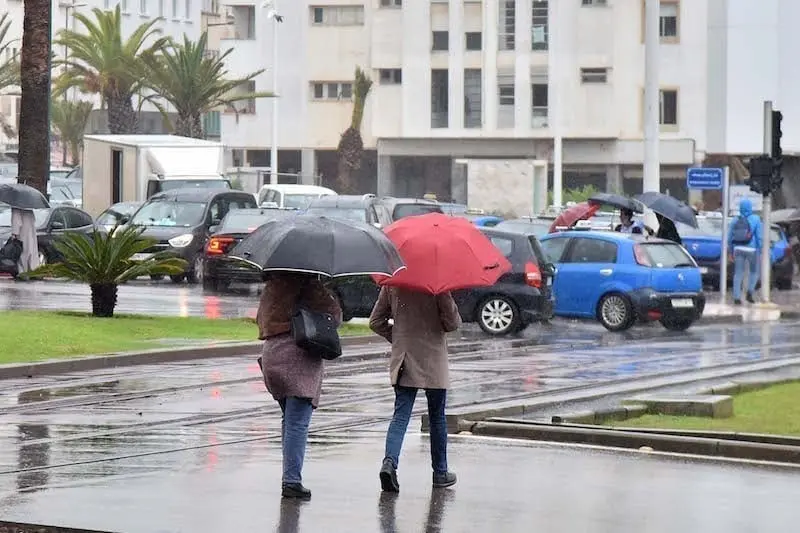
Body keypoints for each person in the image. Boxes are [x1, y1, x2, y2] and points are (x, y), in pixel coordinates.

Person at [256, 272, 342, 500]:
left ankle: (290, 476)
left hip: (272, 356)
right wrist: (326, 291)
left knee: (290, 420)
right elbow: (335, 316)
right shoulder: (309, 284)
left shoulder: (272, 286)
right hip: (297, 358)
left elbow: (261, 320)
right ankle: (292, 481)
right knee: (297, 423)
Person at [369, 286, 462, 493]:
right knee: (437, 417)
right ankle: (440, 472)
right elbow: (452, 323)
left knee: (400, 416)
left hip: (405, 358)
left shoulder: (393, 284)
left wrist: (400, 338)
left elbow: (375, 321)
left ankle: (389, 463)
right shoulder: (438, 285)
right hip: (433, 360)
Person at [727, 198, 762, 304]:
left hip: (738, 249)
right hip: (752, 249)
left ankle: (737, 297)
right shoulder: (756, 219)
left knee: (738, 273)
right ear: (750, 207)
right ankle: (750, 293)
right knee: (754, 272)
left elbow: (729, 238)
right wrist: (759, 250)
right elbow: (759, 236)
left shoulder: (735, 220)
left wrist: (731, 251)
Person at [10, 207, 39, 275]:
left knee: (22, 253)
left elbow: (16, 221)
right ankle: (33, 270)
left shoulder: (16, 207)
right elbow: (34, 219)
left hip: (22, 233)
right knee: (31, 251)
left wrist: (14, 234)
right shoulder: (29, 208)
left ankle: (23, 272)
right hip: (31, 232)